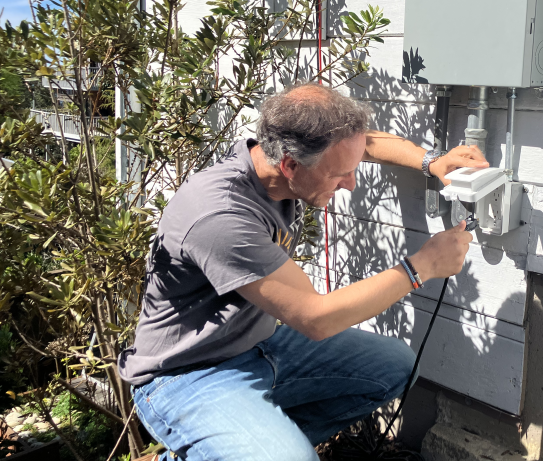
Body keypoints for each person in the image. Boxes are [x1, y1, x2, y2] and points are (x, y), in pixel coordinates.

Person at [118, 83, 489, 460]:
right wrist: (423, 266)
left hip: (256, 347)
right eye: (339, 175)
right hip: (187, 374)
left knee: (395, 367)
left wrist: (432, 162)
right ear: (290, 165)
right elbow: (316, 319)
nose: (351, 183)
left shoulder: (286, 152)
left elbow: (364, 144)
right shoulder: (221, 216)